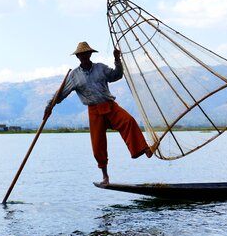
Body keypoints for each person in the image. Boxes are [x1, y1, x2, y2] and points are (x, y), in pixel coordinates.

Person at [45, 41, 153, 185]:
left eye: (86, 54)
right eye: (81, 55)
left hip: (109, 106)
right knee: (98, 146)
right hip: (94, 111)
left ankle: (144, 149)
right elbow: (61, 94)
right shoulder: (74, 76)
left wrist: (117, 59)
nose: (83, 56)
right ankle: (105, 176)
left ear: (90, 54)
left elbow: (117, 75)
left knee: (129, 121)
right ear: (78, 57)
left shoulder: (100, 68)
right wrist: (49, 106)